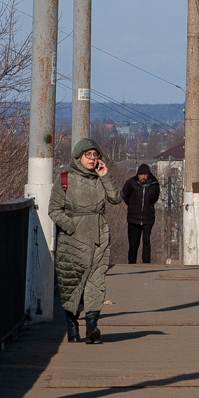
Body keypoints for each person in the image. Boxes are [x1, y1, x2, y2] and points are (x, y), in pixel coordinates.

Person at [50, 138, 122, 344]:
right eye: (88, 155)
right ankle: (72, 326)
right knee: (71, 283)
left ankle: (92, 326)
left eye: (95, 155)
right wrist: (71, 227)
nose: (92, 159)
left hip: (99, 238)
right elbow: (54, 210)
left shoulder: (101, 177)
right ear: (78, 157)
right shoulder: (64, 178)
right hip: (72, 240)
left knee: (96, 282)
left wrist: (106, 176)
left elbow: (116, 198)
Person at [121, 163, 160, 264]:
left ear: (148, 175)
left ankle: (146, 264)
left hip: (148, 218)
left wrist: (149, 206)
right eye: (141, 175)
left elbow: (155, 197)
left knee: (146, 242)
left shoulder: (154, 184)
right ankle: (131, 263)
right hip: (134, 218)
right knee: (133, 243)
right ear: (137, 175)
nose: (143, 177)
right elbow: (125, 195)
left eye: (145, 175)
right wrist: (132, 206)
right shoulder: (131, 183)